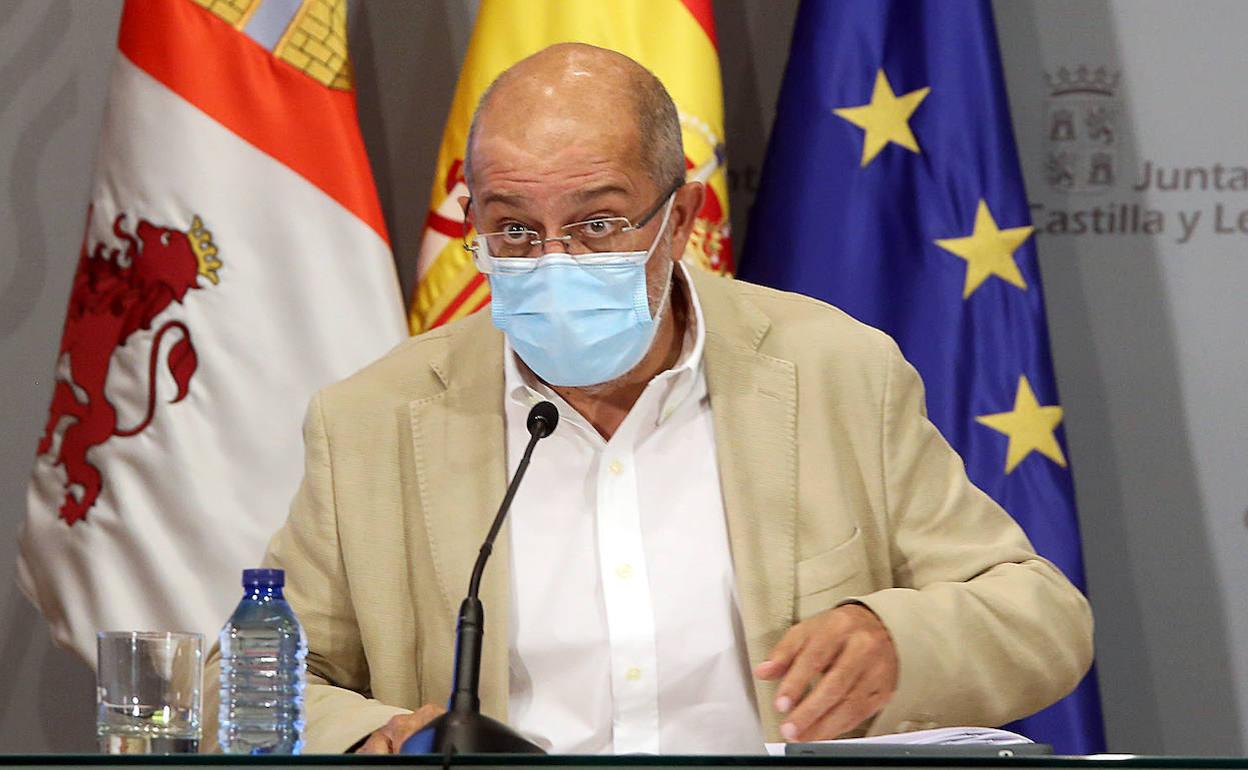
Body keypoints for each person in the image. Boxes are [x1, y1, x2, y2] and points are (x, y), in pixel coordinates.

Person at [203, 43, 1092, 755]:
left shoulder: (834, 372)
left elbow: (1043, 619)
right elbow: (245, 681)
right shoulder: (374, 420)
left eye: (597, 222)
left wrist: (894, 638)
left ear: (681, 217)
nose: (554, 259)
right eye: (514, 229)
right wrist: (375, 737)